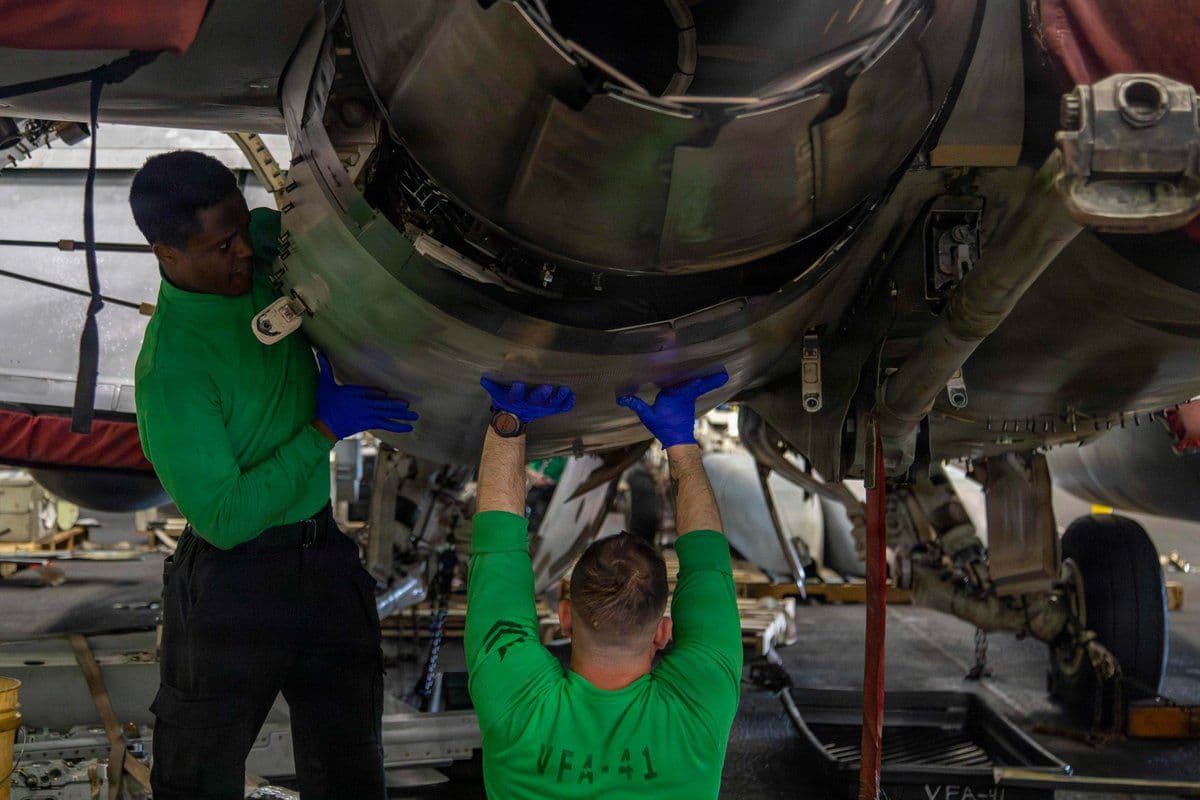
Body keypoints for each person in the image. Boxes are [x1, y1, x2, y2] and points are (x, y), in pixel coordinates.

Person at [130, 150, 418, 799]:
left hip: (322, 558)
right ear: (167, 253)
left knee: (351, 767)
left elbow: (286, 233)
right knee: (197, 775)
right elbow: (226, 517)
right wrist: (323, 430)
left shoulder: (257, 246)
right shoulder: (172, 371)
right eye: (223, 244)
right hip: (236, 583)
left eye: (241, 229)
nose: (245, 252)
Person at [465, 372, 741, 798]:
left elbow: (707, 565)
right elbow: (496, 550)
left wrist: (680, 445)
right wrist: (507, 423)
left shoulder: (520, 703)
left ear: (564, 618)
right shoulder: (698, 710)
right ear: (663, 632)